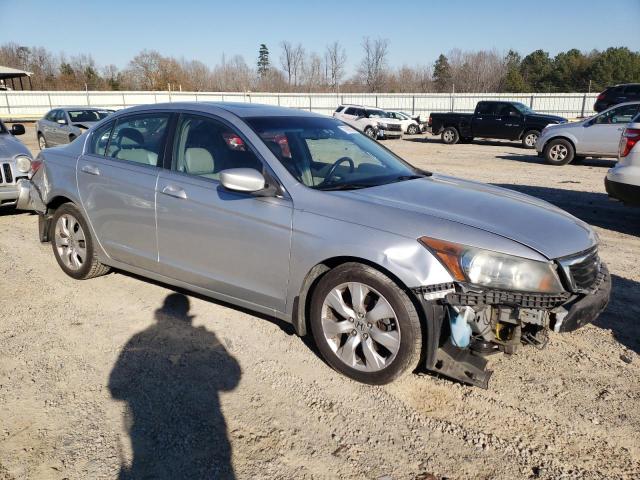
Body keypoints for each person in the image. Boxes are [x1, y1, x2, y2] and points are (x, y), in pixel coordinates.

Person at [109, 293, 241, 479]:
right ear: (187, 315)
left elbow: (115, 388)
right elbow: (231, 379)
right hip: (202, 435)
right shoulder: (206, 338)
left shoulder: (139, 338)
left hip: (151, 434)